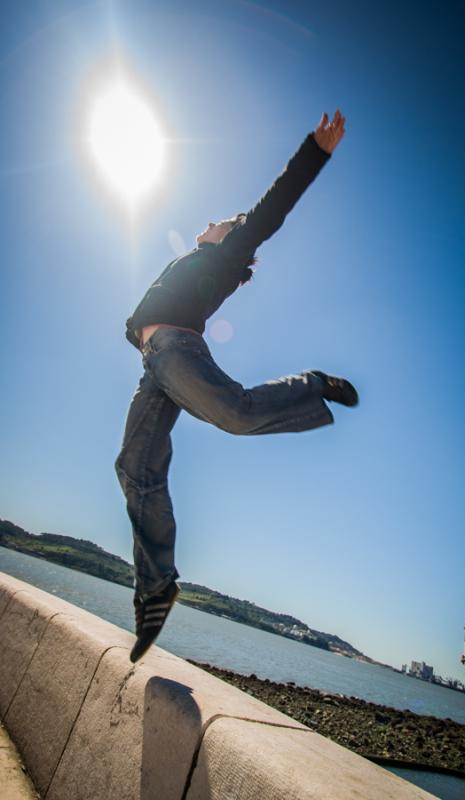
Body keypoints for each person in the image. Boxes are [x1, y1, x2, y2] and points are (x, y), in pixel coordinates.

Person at [115, 109, 358, 663]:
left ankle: (312, 383)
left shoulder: (225, 256)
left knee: (237, 414)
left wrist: (313, 153)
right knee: (135, 467)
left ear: (231, 237)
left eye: (223, 222)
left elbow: (272, 209)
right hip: (155, 364)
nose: (211, 221)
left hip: (177, 353)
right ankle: (156, 590)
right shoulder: (197, 258)